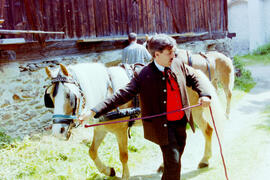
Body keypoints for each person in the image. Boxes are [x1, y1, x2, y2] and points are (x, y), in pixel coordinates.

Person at [79, 34, 211, 180]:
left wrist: (204, 94)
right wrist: (93, 111)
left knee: (173, 162)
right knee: (174, 164)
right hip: (164, 128)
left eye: (174, 52)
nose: (173, 55)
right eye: (169, 53)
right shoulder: (143, 74)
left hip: (181, 122)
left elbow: (193, 78)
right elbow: (121, 95)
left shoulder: (177, 63)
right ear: (157, 54)